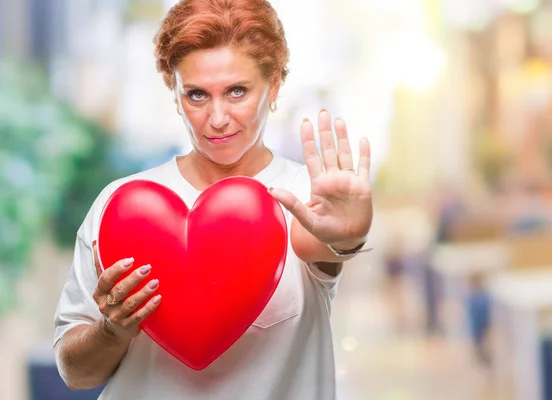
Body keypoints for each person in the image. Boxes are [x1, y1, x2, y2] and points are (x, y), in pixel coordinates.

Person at [52, 1, 373, 399]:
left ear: (273, 86)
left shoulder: (305, 200)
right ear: (175, 94)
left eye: (237, 91)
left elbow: (323, 246)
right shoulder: (121, 208)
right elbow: (74, 372)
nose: (217, 118)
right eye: (197, 95)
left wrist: (346, 239)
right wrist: (112, 329)